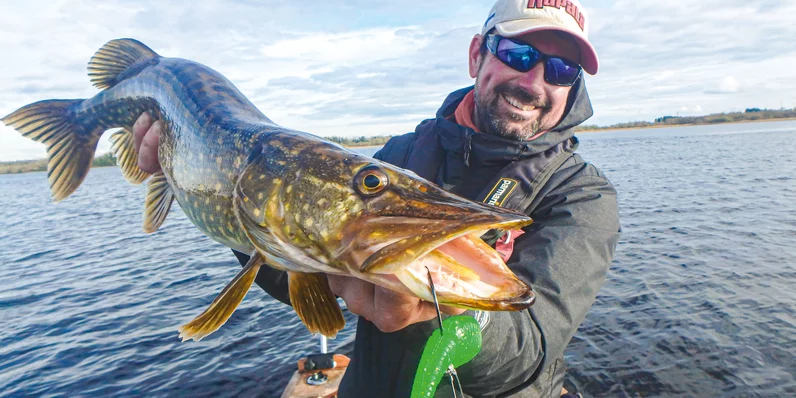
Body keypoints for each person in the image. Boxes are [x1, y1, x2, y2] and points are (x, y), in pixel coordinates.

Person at [133, 0, 620, 395]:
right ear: (478, 55)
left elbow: (529, 352)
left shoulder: (582, 196)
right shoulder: (402, 154)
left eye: (561, 70)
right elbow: (304, 279)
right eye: (517, 54)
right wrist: (245, 218)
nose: (534, 81)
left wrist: (457, 314)